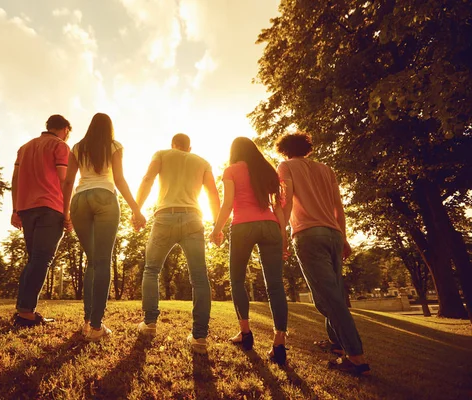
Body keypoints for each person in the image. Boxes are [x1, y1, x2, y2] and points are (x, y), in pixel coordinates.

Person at [275, 132, 370, 375]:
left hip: (308, 235)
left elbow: (285, 203)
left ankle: (356, 357)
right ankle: (337, 345)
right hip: (333, 235)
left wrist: (282, 234)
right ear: (307, 148)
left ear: (284, 150)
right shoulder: (326, 169)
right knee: (333, 293)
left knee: (328, 299)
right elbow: (339, 207)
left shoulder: (285, 166)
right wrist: (343, 236)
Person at [62, 113, 146, 342]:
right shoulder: (115, 146)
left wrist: (65, 211)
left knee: (92, 261)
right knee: (102, 261)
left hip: (79, 200)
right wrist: (136, 209)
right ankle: (97, 327)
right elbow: (119, 179)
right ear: (109, 128)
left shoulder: (78, 147)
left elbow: (68, 181)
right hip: (105, 198)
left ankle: (88, 322)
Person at [135, 133, 220, 354]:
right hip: (194, 218)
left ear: (173, 145)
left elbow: (147, 179)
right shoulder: (202, 162)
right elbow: (212, 193)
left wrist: (137, 209)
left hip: (165, 216)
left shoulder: (161, 154)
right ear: (189, 148)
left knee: (151, 270)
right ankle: (200, 337)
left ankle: (150, 323)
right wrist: (218, 226)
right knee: (199, 277)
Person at [209, 137, 289, 365]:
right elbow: (278, 208)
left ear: (234, 152)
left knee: (236, 280)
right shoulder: (268, 171)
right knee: (275, 285)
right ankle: (279, 343)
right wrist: (282, 236)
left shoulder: (231, 170)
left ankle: (245, 333)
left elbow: (228, 203)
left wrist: (217, 229)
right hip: (271, 226)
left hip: (243, 226)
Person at [11, 114, 73, 327]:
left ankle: (22, 310)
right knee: (41, 260)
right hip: (51, 208)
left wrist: (15, 209)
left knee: (34, 260)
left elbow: (15, 179)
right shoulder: (61, 146)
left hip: (26, 208)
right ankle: (26, 313)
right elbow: (65, 180)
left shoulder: (25, 147)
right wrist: (68, 213)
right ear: (65, 129)